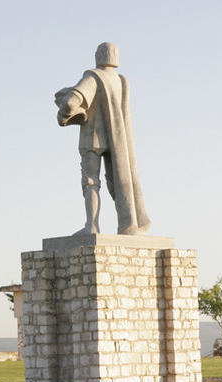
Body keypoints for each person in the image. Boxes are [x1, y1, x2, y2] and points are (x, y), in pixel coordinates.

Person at [55, 42, 151, 236]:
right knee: (117, 181)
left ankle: (91, 226)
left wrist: (66, 109)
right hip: (118, 141)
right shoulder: (121, 80)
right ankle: (129, 224)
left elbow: (73, 101)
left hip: (93, 138)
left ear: (99, 56)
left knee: (91, 182)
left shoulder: (93, 76)